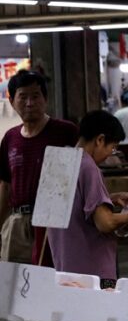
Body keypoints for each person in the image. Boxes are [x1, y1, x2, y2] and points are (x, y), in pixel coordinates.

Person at [47, 111, 128, 288]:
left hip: (64, 271)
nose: (111, 153)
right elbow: (106, 223)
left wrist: (110, 198)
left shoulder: (58, 161)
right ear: (100, 140)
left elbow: (73, 207)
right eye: (113, 147)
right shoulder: (89, 167)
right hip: (93, 275)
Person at [0, 70, 79, 264]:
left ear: (45, 99)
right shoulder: (10, 138)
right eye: (23, 97)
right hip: (17, 222)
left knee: (50, 281)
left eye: (35, 96)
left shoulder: (65, 131)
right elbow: (5, 185)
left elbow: (81, 178)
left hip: (54, 224)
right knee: (14, 285)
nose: (29, 103)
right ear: (12, 102)